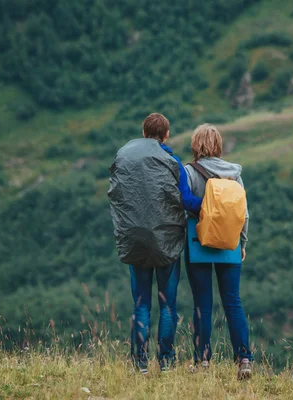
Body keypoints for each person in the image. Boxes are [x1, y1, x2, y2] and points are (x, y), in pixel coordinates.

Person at [108, 113, 202, 375]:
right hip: (166, 243)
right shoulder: (172, 162)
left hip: (135, 240)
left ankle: (139, 364)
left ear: (143, 131)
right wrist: (211, 205)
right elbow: (185, 200)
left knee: (141, 304)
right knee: (167, 305)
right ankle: (167, 362)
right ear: (166, 135)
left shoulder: (124, 158)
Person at [184, 123, 253, 380]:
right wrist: (242, 242)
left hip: (197, 241)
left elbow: (182, 206)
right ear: (218, 145)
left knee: (202, 303)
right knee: (232, 301)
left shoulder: (190, 171)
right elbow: (243, 213)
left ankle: (202, 361)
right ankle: (244, 358)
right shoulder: (235, 174)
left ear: (196, 144)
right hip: (230, 243)